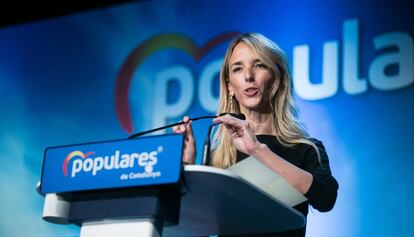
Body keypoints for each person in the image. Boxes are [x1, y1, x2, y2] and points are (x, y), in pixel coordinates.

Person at [173, 33, 338, 237]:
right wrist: (188, 173)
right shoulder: (218, 158)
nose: (248, 76)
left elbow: (325, 198)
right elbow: (199, 231)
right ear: (229, 86)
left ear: (277, 77)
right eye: (238, 68)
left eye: (259, 65)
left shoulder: (306, 148)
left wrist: (257, 150)